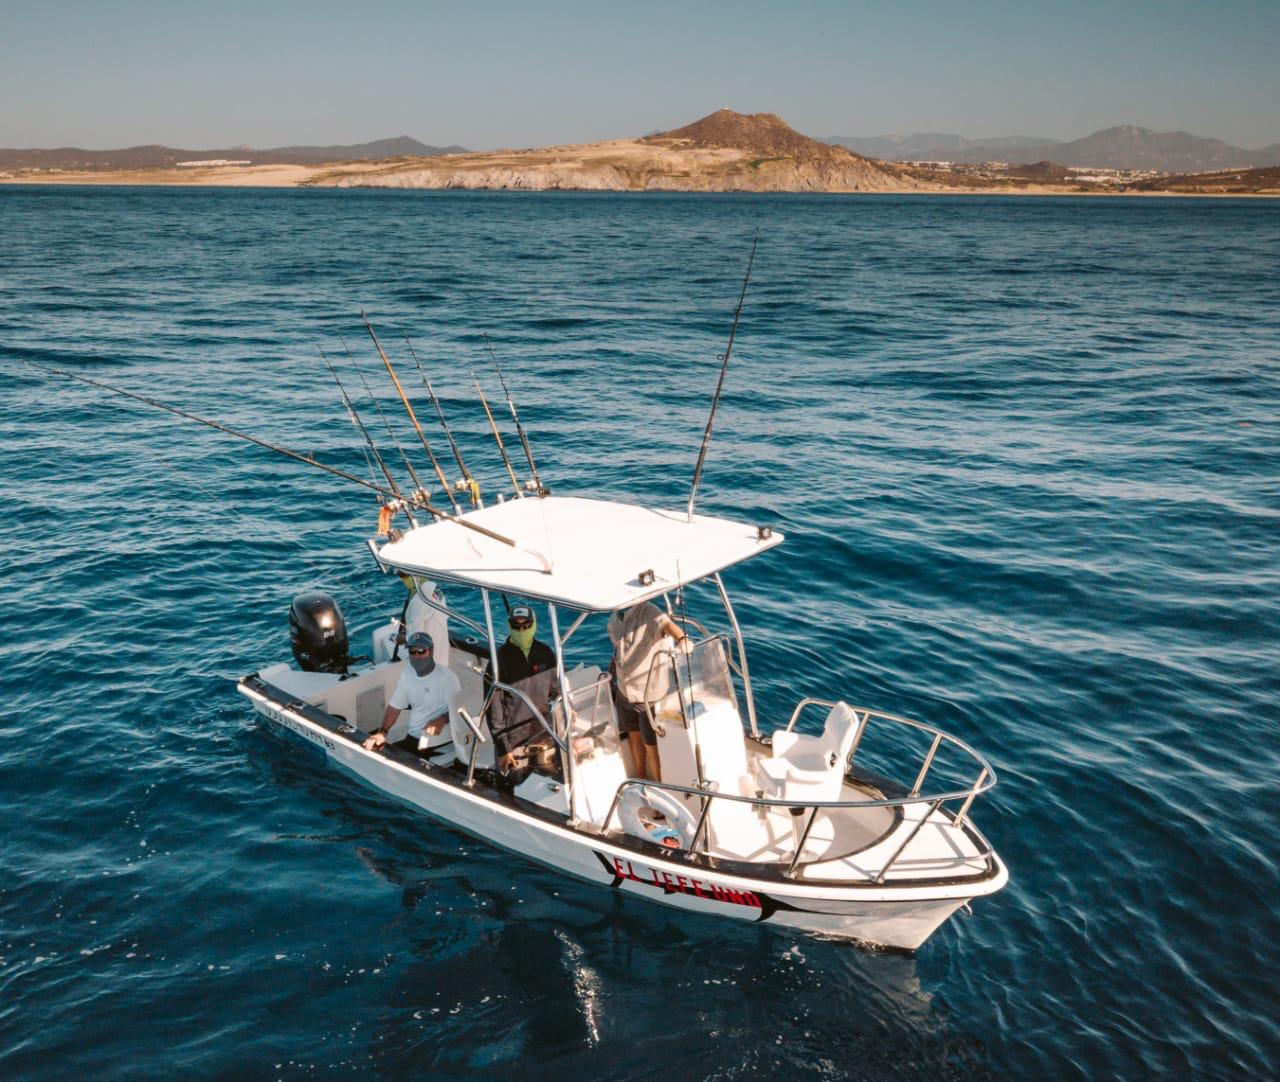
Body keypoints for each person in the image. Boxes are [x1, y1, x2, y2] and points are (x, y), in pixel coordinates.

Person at [608, 602, 687, 782]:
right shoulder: (615, 614)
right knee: (633, 735)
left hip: (647, 696)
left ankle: (659, 785)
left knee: (651, 745)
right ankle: (640, 777)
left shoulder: (650, 612)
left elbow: (668, 626)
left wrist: (683, 639)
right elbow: (618, 646)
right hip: (624, 690)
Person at [490, 604, 560, 778]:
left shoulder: (546, 653)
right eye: (516, 626)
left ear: (534, 624)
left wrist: (566, 710)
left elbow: (555, 689)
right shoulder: (499, 660)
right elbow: (494, 710)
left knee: (547, 780)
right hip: (513, 741)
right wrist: (503, 749)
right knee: (513, 783)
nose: (521, 630)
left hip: (543, 733)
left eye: (526, 625)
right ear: (509, 626)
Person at [365, 632, 460, 754]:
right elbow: (395, 707)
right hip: (414, 739)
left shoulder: (447, 678)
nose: (416, 656)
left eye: (421, 651)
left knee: (386, 755)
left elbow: (459, 710)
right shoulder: (407, 674)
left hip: (440, 741)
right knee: (377, 751)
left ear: (431, 651)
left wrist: (442, 720)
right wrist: (382, 732)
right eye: (412, 651)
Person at [397, 573, 450, 669]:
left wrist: (403, 638)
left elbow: (416, 639)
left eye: (403, 575)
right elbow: (445, 616)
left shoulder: (418, 600)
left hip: (427, 665)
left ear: (414, 574)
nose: (402, 579)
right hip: (442, 658)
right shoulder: (435, 589)